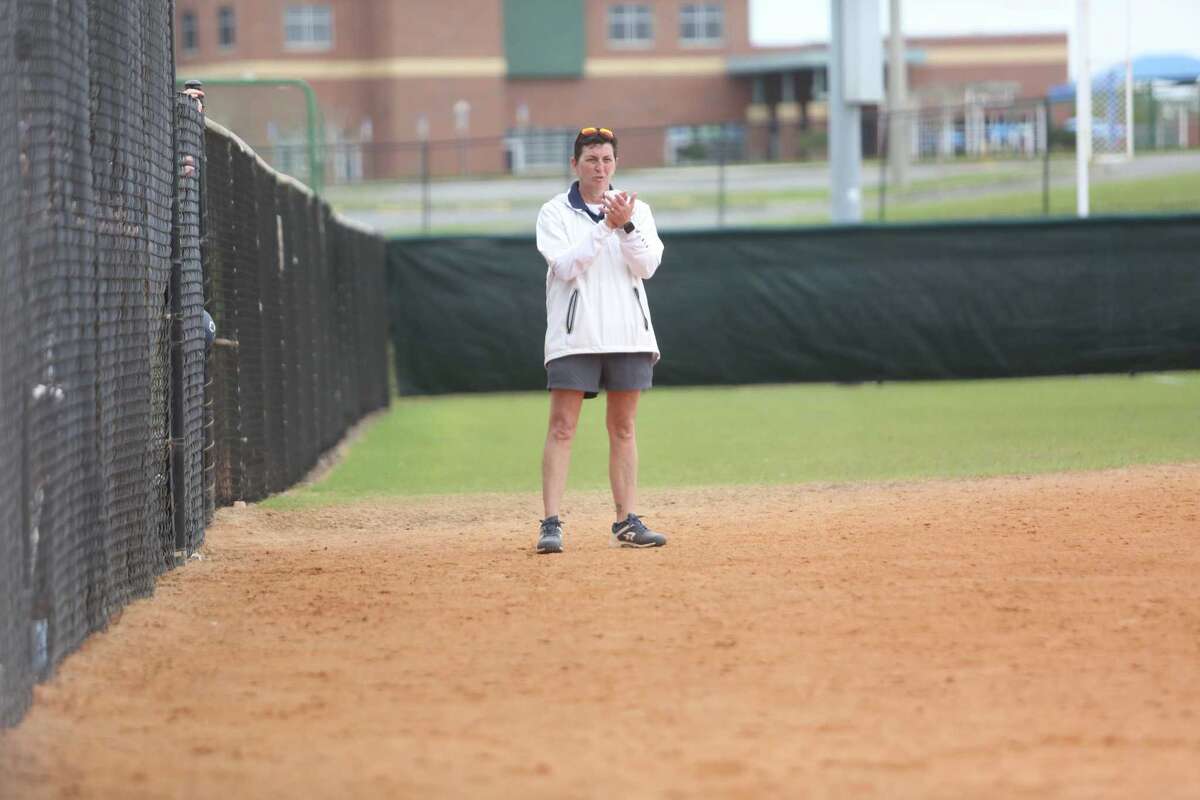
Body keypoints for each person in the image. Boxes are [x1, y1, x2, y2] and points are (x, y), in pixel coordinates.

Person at [534, 126, 668, 554]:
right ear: (575, 165)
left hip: (628, 333)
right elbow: (568, 266)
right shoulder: (554, 212)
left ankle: (626, 520)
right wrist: (604, 228)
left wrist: (624, 224)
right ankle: (551, 523)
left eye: (607, 159)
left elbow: (647, 265)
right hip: (576, 336)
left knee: (624, 427)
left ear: (616, 164)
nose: (600, 167)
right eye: (592, 159)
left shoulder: (637, 209)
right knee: (562, 426)